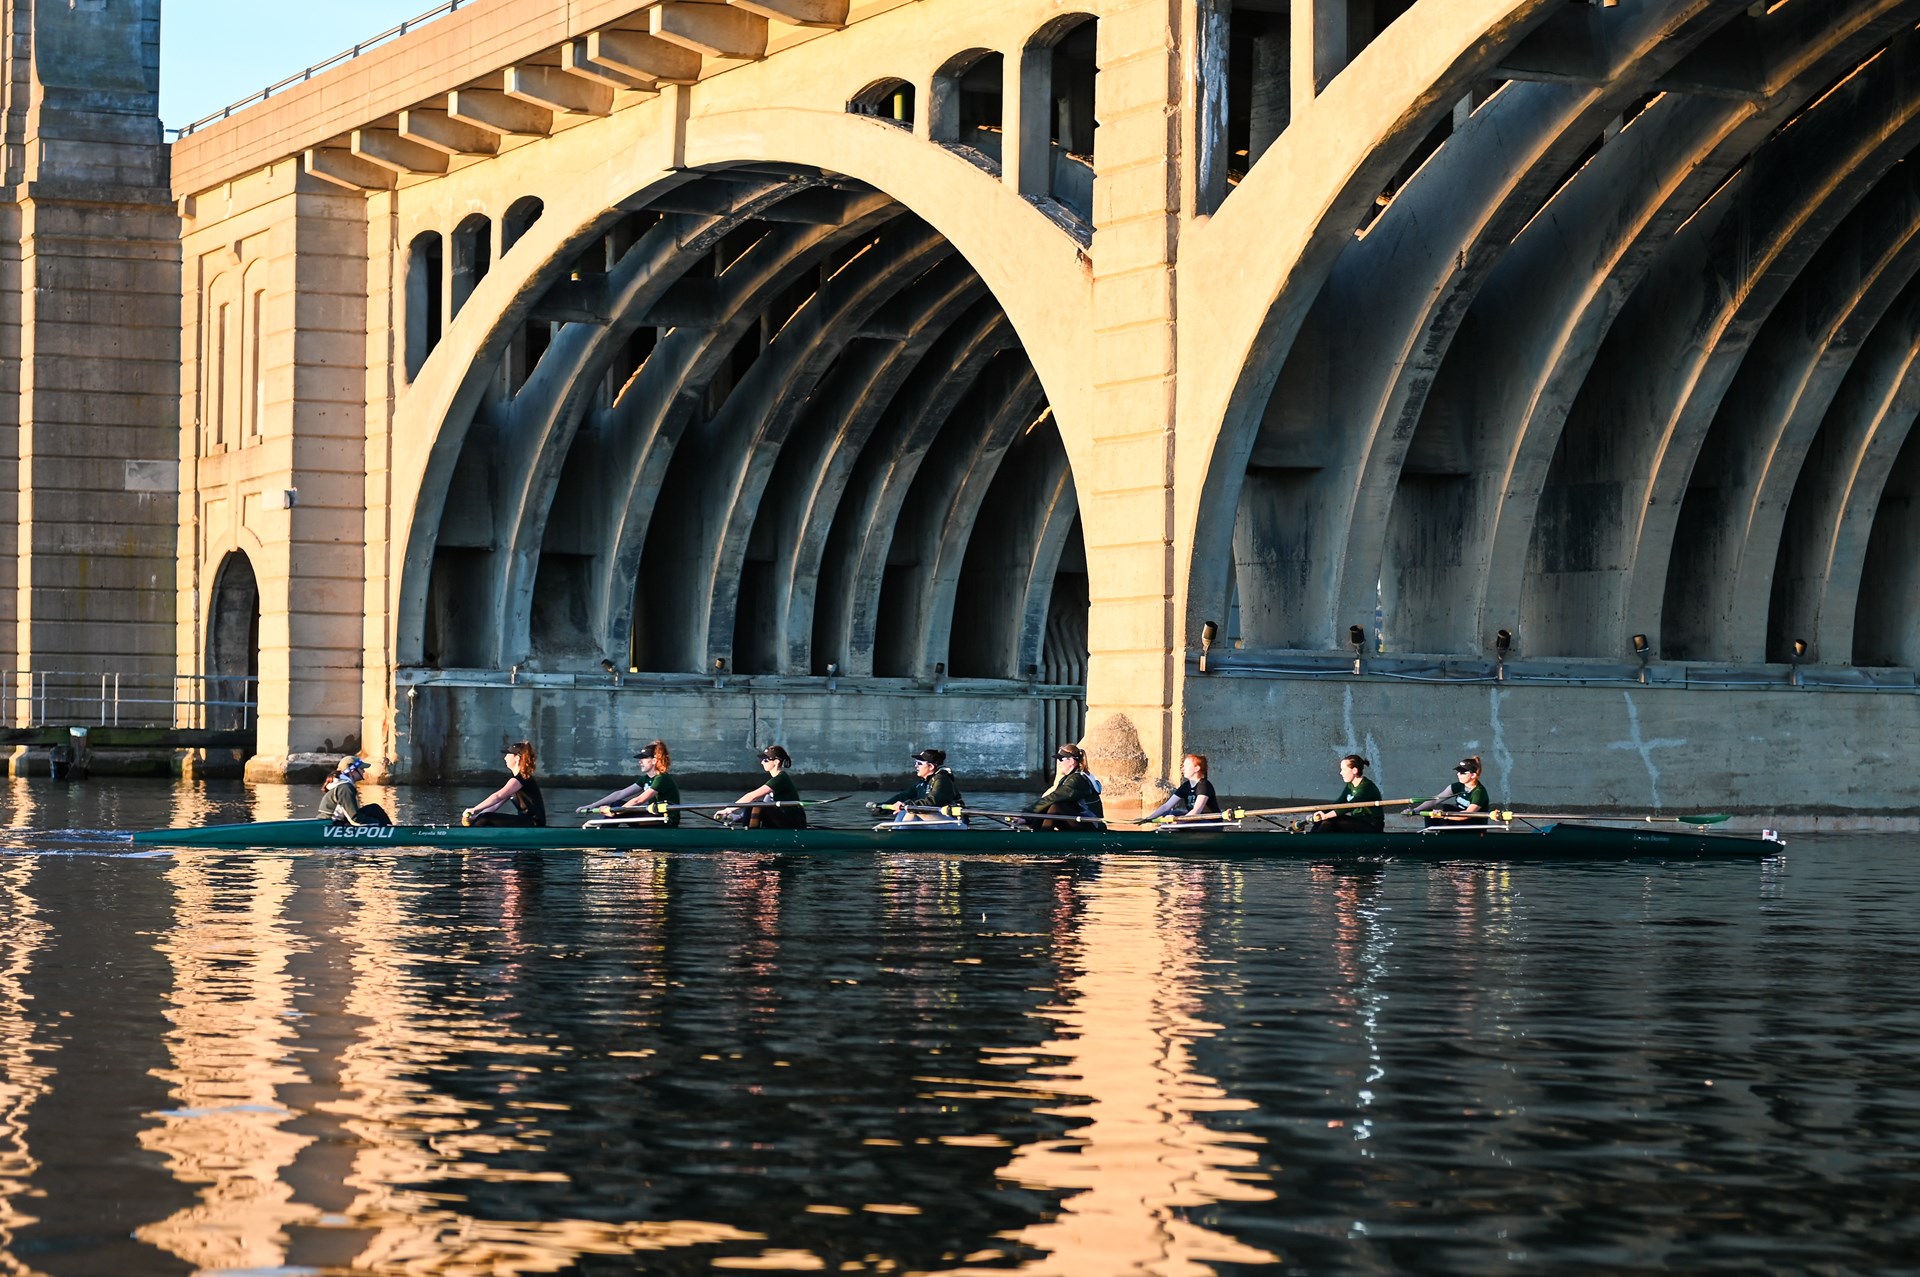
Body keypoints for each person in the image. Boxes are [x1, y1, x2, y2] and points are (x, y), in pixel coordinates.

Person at [578, 740, 681, 827]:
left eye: (644, 758)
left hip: (666, 821)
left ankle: (604, 835)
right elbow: (620, 794)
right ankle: (605, 833)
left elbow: (638, 800)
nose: (640, 762)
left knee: (617, 807)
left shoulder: (662, 778)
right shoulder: (645, 779)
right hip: (653, 817)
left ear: (654, 761)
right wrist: (592, 805)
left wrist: (614, 812)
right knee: (617, 803)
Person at [719, 745, 806, 829]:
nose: (762, 762)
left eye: (765, 760)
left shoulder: (781, 779)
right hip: (784, 819)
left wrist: (727, 810)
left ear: (776, 762)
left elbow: (752, 796)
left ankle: (750, 836)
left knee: (758, 806)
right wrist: (737, 817)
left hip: (795, 823)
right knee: (754, 804)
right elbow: (762, 801)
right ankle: (746, 831)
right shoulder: (775, 781)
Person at [871, 748, 964, 826]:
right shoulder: (922, 783)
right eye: (915, 763)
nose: (916, 766)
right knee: (907, 810)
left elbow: (933, 801)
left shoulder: (942, 779)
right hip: (935, 820)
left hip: (955, 822)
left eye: (919, 763)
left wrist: (905, 805)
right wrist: (883, 807)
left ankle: (898, 838)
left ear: (931, 766)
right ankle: (897, 835)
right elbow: (904, 796)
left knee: (910, 811)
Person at [463, 741, 547, 827]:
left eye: (508, 755)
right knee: (483, 816)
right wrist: (477, 816)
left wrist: (474, 809)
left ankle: (465, 837)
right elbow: (495, 805)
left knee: (485, 818)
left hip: (534, 822)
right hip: (525, 820)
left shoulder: (520, 779)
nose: (505, 758)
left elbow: (498, 796)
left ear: (517, 758)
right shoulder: (516, 780)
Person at [1027, 743, 1104, 831]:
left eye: (1061, 760)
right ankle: (1034, 830)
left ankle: (1041, 838)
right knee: (1048, 807)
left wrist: (1027, 812)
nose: (1058, 764)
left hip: (1093, 826)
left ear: (1071, 761)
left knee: (1056, 807)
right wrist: (1028, 818)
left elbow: (1053, 797)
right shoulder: (1067, 778)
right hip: (1078, 821)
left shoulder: (1078, 780)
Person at [1312, 754, 1384, 833]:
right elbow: (1338, 803)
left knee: (1329, 820)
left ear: (1354, 770)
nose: (1341, 773)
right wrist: (1322, 812)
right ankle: (1309, 839)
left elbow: (1351, 805)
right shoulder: (1350, 786)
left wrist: (1326, 816)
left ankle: (1314, 842)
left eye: (1344, 770)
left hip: (1372, 825)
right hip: (1357, 821)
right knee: (1320, 820)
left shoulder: (1366, 787)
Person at [1412, 755, 1491, 826]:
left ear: (1473, 775)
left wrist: (1444, 815)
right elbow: (1435, 800)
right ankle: (1430, 836)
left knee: (1444, 813)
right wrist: (1415, 810)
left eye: (1462, 772)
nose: (1458, 774)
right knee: (1432, 812)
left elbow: (1467, 814)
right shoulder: (1457, 786)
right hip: (1458, 820)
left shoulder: (1479, 793)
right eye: (1458, 771)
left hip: (1472, 825)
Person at [319, 755, 391, 826]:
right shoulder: (345, 788)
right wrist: (378, 823)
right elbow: (355, 819)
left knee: (374, 809)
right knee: (375, 812)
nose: (364, 771)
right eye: (361, 768)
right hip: (331, 825)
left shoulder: (342, 785)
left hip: (335, 822)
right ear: (352, 770)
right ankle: (391, 832)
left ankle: (389, 830)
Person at [1146, 753, 1218, 821]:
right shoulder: (1185, 786)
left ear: (1196, 768)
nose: (1183, 769)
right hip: (1193, 820)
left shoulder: (1204, 785)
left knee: (1174, 817)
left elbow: (1196, 811)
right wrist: (1148, 819)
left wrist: (1179, 822)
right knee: (1171, 813)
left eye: (1186, 766)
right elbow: (1166, 806)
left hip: (1208, 822)